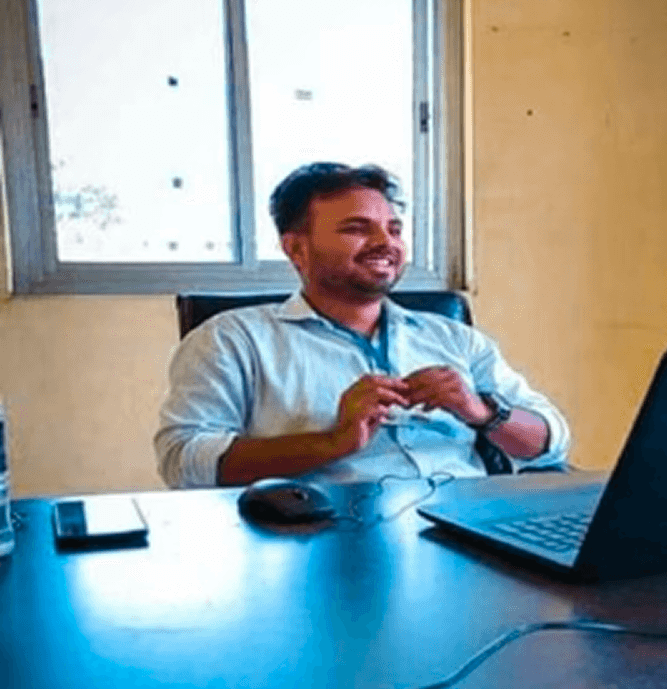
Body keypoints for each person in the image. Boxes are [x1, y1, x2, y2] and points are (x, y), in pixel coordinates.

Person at [155, 163, 570, 489]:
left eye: (393, 229)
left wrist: (482, 413)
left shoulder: (454, 339)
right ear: (296, 249)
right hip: (325, 540)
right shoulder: (233, 340)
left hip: (467, 527)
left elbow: (551, 441)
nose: (385, 243)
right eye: (357, 228)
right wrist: (332, 443)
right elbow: (184, 460)